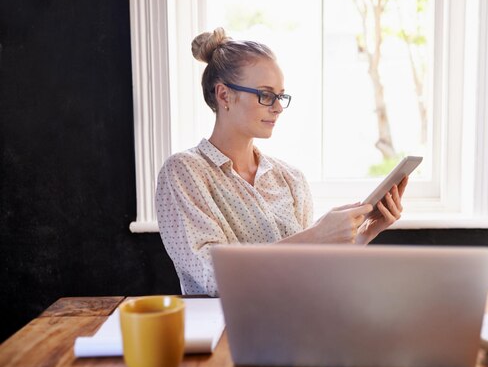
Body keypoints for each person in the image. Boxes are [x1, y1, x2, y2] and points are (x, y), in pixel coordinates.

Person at [156, 27, 407, 296]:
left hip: (295, 324)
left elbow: (308, 276)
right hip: (225, 331)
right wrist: (315, 236)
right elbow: (214, 278)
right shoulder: (184, 172)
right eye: (265, 95)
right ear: (224, 95)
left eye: (280, 96)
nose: (277, 107)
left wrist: (363, 234)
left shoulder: (290, 178)